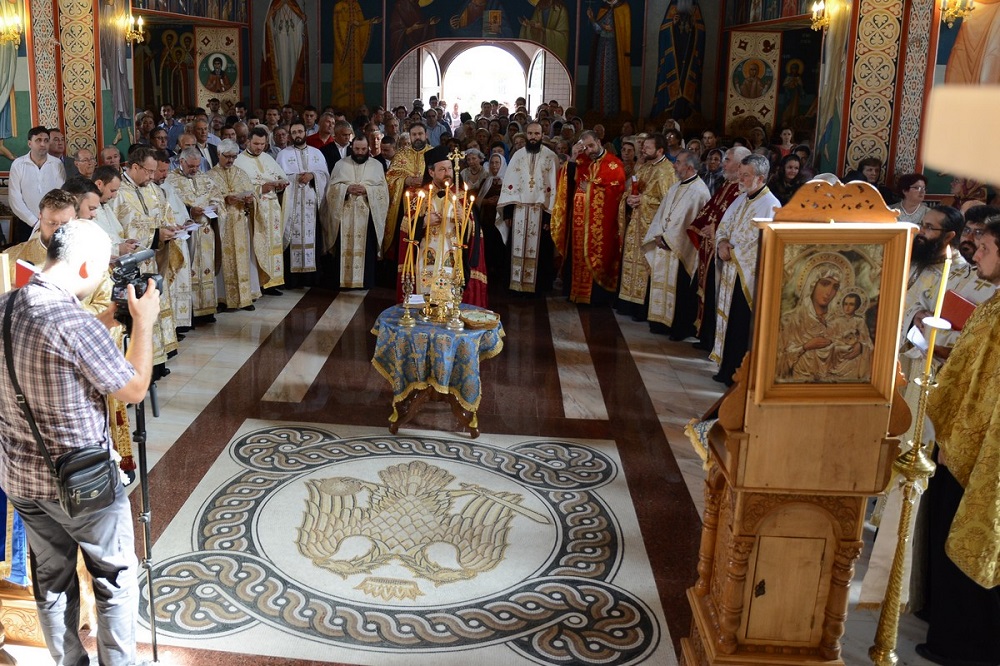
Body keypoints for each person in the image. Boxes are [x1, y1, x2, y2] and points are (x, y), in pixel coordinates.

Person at [0, 218, 160, 666]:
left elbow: (58, 346)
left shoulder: (6, 305)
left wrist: (109, 317)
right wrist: (144, 324)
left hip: (21, 477)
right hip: (83, 482)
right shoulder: (72, 322)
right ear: (87, 265)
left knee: (51, 580)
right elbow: (134, 389)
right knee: (115, 578)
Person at [921, 216, 1000, 666]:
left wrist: (960, 442)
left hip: (980, 450)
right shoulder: (994, 302)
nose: (977, 253)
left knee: (967, 538)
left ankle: (964, 646)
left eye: (986, 247)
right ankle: (944, 627)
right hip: (961, 437)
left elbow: (988, 388)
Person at [711, 153, 780, 385]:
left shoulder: (771, 205)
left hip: (747, 276)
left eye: (746, 175)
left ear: (761, 178)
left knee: (740, 324)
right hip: (731, 270)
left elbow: (758, 243)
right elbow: (724, 225)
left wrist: (732, 252)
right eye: (740, 174)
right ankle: (725, 368)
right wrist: (721, 243)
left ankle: (736, 375)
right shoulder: (741, 198)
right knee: (729, 321)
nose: (740, 179)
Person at [398, 144, 488, 307]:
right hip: (425, 261)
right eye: (442, 169)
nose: (448, 173)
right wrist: (423, 222)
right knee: (426, 302)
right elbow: (406, 229)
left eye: (450, 169)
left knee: (451, 303)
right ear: (431, 172)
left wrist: (465, 221)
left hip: (453, 260)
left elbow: (475, 233)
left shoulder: (462, 197)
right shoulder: (419, 196)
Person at [550, 130, 626, 304]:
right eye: (585, 147)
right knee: (576, 256)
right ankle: (575, 292)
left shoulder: (613, 164)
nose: (589, 150)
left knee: (596, 255)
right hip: (577, 223)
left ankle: (594, 298)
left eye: (591, 146)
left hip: (599, 224)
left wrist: (591, 188)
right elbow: (567, 183)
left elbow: (617, 192)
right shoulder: (581, 160)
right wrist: (573, 157)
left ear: (599, 142)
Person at [643, 149, 711, 339]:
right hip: (664, 244)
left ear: (689, 167)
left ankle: (678, 328)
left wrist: (667, 239)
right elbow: (662, 213)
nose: (674, 165)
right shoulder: (675, 187)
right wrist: (658, 235)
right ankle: (660, 323)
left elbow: (689, 224)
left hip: (680, 249)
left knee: (680, 289)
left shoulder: (699, 192)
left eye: (678, 162)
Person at [688, 146, 750, 351]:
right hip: (710, 247)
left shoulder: (741, 190)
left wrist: (714, 229)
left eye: (728, 160)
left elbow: (736, 222)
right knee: (707, 292)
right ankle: (706, 336)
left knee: (717, 296)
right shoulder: (727, 185)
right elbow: (711, 210)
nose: (723, 163)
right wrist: (705, 227)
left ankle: (714, 340)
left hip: (722, 252)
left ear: (740, 164)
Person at [617, 133, 676, 320]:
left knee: (645, 265)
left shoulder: (667, 171)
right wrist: (629, 199)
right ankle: (628, 303)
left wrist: (643, 200)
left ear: (659, 150)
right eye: (643, 147)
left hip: (651, 227)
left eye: (647, 147)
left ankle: (641, 309)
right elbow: (631, 190)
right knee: (630, 262)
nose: (643, 150)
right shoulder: (644, 167)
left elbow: (668, 202)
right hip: (636, 222)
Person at [496, 121, 559, 294]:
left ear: (542, 135)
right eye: (530, 134)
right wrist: (508, 213)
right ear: (526, 135)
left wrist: (549, 217)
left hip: (541, 212)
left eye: (536, 134)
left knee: (541, 251)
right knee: (515, 248)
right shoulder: (517, 156)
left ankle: (537, 289)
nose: (533, 137)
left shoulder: (551, 157)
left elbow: (554, 189)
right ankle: (515, 287)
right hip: (518, 211)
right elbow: (509, 186)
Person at [323, 136, 388, 288]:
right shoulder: (340, 164)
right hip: (344, 215)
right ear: (351, 148)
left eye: (363, 149)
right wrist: (346, 189)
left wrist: (368, 190)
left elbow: (383, 192)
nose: (360, 152)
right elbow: (331, 190)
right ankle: (343, 281)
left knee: (367, 248)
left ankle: (365, 281)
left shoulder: (377, 165)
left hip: (367, 216)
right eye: (357, 149)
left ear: (368, 149)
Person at [167, 147, 220, 321]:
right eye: (191, 166)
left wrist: (215, 207)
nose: (195, 169)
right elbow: (171, 207)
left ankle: (207, 309)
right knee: (189, 272)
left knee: (207, 269)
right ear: (181, 161)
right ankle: (192, 312)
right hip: (187, 234)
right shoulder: (171, 180)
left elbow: (218, 198)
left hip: (206, 231)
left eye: (197, 166)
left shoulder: (205, 178)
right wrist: (190, 211)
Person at [234, 126, 289, 294]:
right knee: (259, 245)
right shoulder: (239, 161)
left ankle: (272, 282)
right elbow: (237, 188)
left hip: (273, 209)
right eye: (256, 144)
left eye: (262, 144)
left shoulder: (267, 158)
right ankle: (259, 283)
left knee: (273, 244)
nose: (259, 147)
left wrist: (280, 185)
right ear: (248, 142)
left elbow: (282, 177)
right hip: (255, 211)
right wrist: (260, 189)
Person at [206, 140, 259, 311]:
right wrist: (224, 199)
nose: (230, 160)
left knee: (243, 259)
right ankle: (224, 299)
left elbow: (253, 195)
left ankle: (245, 298)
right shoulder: (209, 176)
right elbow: (207, 200)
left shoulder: (241, 174)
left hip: (240, 222)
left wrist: (250, 200)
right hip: (221, 226)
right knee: (224, 260)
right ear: (218, 155)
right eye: (227, 156)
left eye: (233, 157)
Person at [276, 122, 328, 285]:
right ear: (290, 135)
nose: (297, 135)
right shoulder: (283, 155)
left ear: (306, 132)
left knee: (313, 237)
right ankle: (293, 279)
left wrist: (313, 176)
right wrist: (295, 178)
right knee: (293, 238)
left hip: (312, 206)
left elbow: (325, 176)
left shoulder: (316, 153)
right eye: (294, 132)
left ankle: (311, 278)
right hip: (293, 205)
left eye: (300, 131)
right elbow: (278, 179)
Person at [7, 126, 67, 245]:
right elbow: (15, 198)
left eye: (46, 140)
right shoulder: (18, 165)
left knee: (52, 254)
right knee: (28, 255)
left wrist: (49, 220)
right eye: (38, 140)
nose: (43, 144)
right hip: (26, 223)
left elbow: (60, 194)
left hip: (52, 222)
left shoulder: (57, 164)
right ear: (30, 143)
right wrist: (34, 222)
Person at [384, 122, 432, 259]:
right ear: (410, 136)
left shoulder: (433, 153)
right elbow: (390, 177)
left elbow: (441, 176)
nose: (417, 137)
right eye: (414, 134)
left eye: (420, 134)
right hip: (404, 207)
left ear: (426, 135)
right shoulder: (401, 154)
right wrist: (405, 180)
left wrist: (426, 180)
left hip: (428, 205)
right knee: (404, 241)